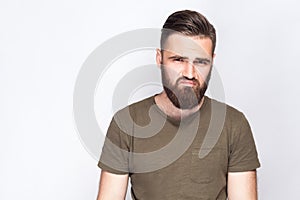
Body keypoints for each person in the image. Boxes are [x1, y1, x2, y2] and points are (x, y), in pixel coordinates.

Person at [97, 10, 260, 200]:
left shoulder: (233, 125)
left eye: (200, 62)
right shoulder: (126, 123)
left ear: (212, 62)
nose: (190, 73)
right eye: (178, 60)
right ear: (160, 59)